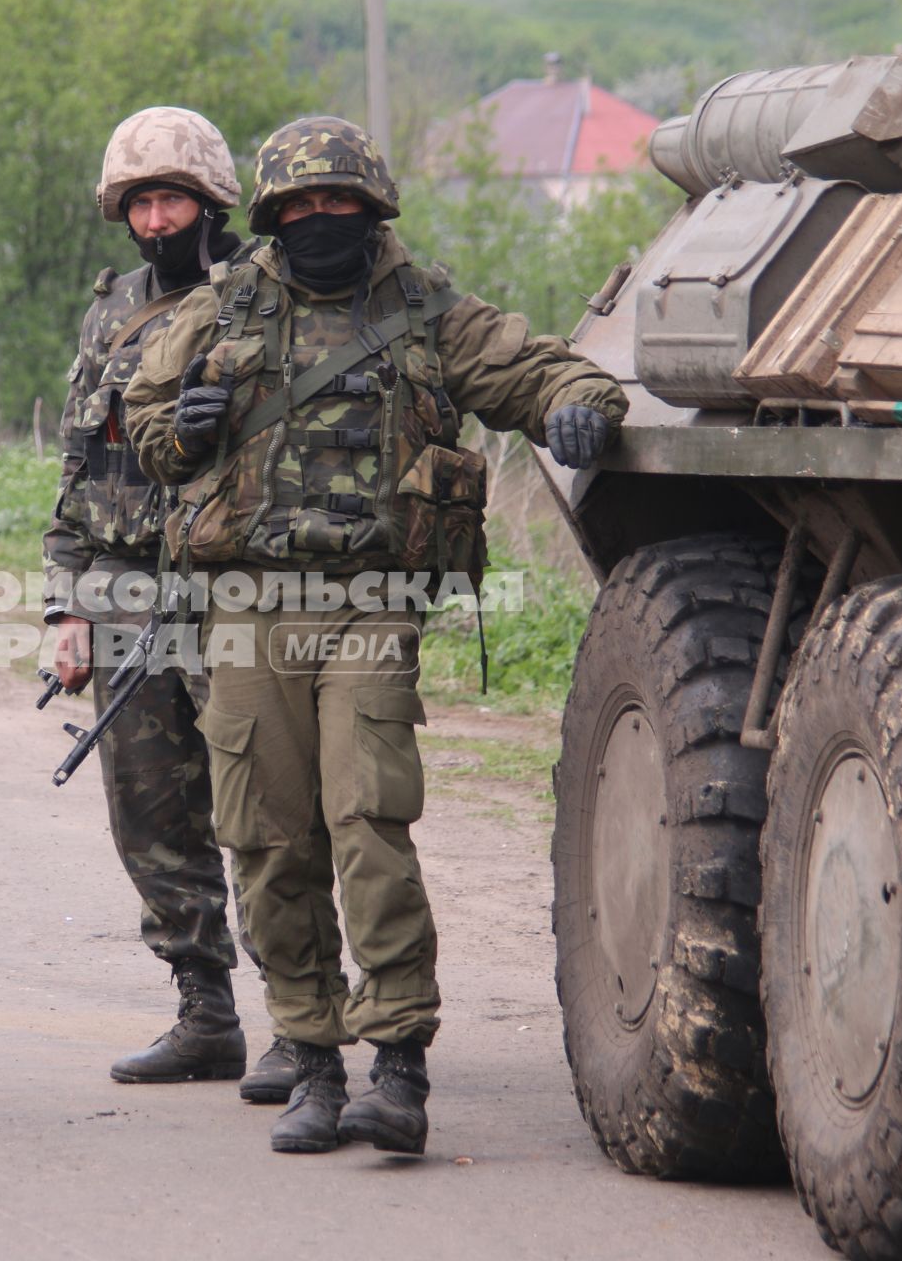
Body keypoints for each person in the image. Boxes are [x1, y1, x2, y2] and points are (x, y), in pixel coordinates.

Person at [123, 116, 624, 1155]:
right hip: (249, 604)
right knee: (268, 837)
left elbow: (540, 370)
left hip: (368, 598)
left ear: (371, 207)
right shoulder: (222, 308)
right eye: (297, 207)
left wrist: (585, 403)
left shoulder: (423, 308)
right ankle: (311, 1056)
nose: (317, 220)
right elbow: (146, 424)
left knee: (368, 821)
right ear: (269, 216)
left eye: (336, 203)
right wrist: (188, 425)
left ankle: (398, 1061)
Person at [44, 106, 296, 1101]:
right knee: (150, 810)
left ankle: (299, 1022)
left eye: (173, 197)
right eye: (141, 200)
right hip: (121, 589)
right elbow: (78, 460)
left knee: (263, 809)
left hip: (233, 590)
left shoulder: (263, 298)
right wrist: (64, 602)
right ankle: (205, 1012)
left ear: (210, 202)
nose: (156, 218)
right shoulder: (111, 312)